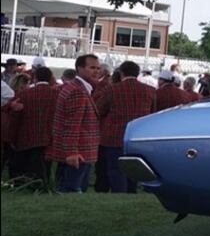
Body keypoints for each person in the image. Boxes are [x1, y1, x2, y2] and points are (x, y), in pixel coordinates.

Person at [95, 61, 157, 193]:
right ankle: (130, 192)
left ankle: (119, 193)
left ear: (121, 73)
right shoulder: (150, 91)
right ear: (137, 73)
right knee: (134, 168)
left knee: (115, 168)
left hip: (113, 136)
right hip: (137, 136)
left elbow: (99, 110)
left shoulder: (112, 89)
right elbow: (152, 114)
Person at [47, 54, 102, 193]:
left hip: (79, 153)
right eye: (92, 67)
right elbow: (72, 125)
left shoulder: (78, 88)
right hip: (78, 154)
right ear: (79, 68)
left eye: (98, 68)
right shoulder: (77, 91)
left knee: (72, 191)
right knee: (72, 192)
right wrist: (72, 153)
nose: (96, 71)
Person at [8, 66, 60, 184]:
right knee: (45, 165)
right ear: (51, 78)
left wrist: (12, 137)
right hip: (49, 136)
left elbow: (15, 117)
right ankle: (44, 184)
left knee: (28, 165)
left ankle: (27, 184)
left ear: (34, 78)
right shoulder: (57, 94)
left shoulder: (24, 94)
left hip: (27, 135)